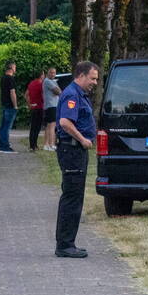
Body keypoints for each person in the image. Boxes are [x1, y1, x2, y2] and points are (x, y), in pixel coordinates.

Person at [54, 61, 100, 258]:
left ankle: (68, 243)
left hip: (75, 152)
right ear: (81, 75)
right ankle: (65, 245)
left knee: (75, 196)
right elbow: (65, 122)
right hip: (72, 151)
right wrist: (82, 139)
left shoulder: (78, 94)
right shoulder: (72, 95)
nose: (95, 83)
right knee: (72, 198)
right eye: (93, 78)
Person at [0, 61, 18, 153]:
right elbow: (12, 92)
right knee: (7, 127)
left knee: (3, 126)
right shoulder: (10, 79)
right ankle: (5, 146)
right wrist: (15, 105)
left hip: (4, 104)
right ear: (12, 67)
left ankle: (1, 145)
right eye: (15, 67)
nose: (15, 69)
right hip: (10, 105)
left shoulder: (3, 78)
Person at [25, 69, 45, 152]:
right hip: (39, 107)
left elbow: (26, 95)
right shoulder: (41, 84)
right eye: (43, 74)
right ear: (41, 75)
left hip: (33, 107)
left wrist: (29, 104)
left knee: (33, 127)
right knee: (37, 127)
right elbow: (43, 95)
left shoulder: (31, 83)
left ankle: (31, 145)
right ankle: (34, 145)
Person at [42, 67, 61, 151]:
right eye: (51, 72)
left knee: (48, 126)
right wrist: (58, 89)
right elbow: (58, 91)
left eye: (54, 73)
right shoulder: (48, 81)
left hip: (49, 106)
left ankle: (46, 145)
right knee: (52, 126)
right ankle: (51, 145)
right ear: (47, 73)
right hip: (52, 105)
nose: (53, 74)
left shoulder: (50, 81)